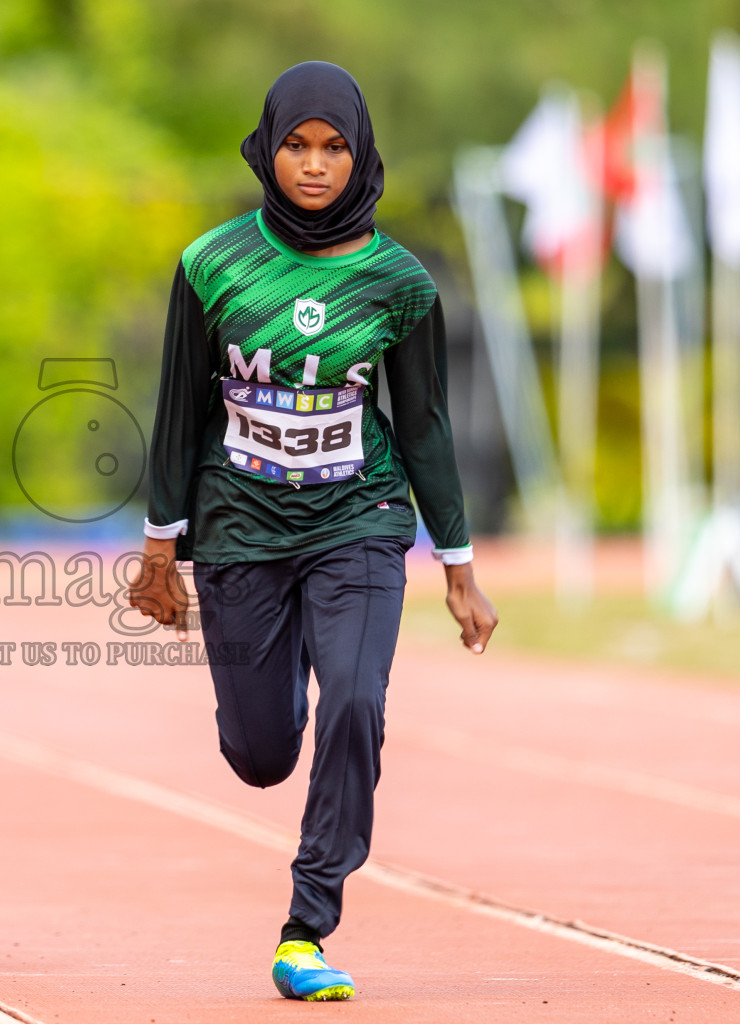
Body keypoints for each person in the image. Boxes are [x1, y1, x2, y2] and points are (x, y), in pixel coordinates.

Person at [128, 61, 496, 1002]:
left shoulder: (399, 284)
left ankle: (309, 921)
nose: (316, 165)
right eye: (298, 146)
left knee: (357, 705)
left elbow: (423, 426)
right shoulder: (212, 266)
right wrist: (159, 551)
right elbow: (178, 414)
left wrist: (457, 566)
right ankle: (277, 684)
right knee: (261, 756)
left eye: (334, 148)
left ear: (362, 154)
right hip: (240, 527)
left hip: (360, 520)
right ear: (268, 149)